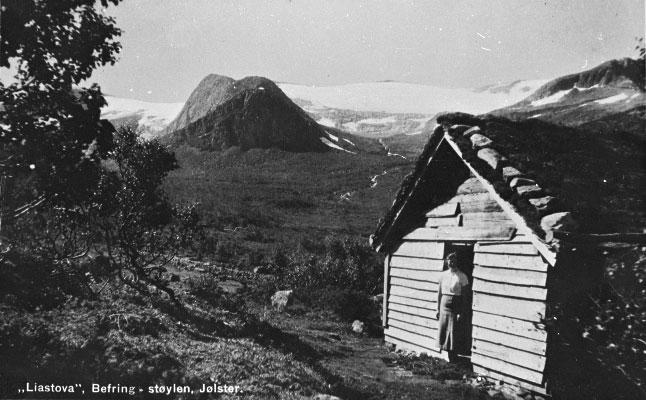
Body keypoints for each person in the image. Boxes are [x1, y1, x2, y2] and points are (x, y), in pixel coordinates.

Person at [436, 252, 470, 361]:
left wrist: (461, 311)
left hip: (456, 305)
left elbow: (465, 296)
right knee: (443, 329)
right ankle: (445, 355)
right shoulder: (443, 275)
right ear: (446, 261)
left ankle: (453, 357)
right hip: (443, 306)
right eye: (449, 260)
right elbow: (439, 293)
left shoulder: (462, 276)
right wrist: (437, 308)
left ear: (457, 261)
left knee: (453, 330)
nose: (452, 262)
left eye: (454, 260)